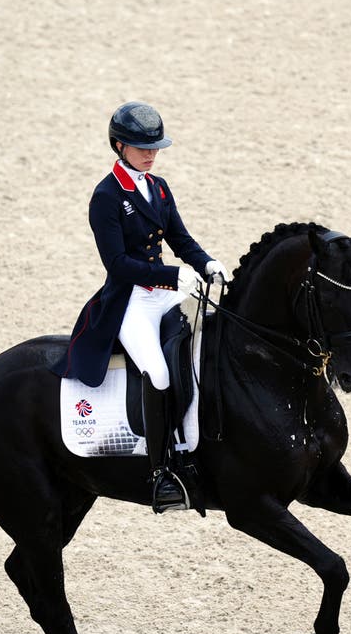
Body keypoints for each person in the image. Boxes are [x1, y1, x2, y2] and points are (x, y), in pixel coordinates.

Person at [52, 101, 230, 513]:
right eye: (141, 147)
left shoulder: (160, 186)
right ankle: (161, 470)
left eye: (155, 147)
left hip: (165, 291)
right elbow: (116, 264)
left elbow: (180, 239)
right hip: (130, 300)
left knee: (210, 345)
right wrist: (171, 277)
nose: (150, 154)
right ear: (119, 146)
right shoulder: (107, 196)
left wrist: (205, 262)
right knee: (159, 372)